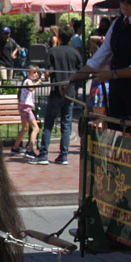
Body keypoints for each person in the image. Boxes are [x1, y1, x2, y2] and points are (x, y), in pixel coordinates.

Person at [30, 24, 82, 165]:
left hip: (55, 90)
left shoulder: (53, 52)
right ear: (71, 38)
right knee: (66, 123)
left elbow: (47, 71)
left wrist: (43, 77)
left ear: (58, 36)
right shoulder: (75, 53)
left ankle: (44, 155)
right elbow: (80, 71)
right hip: (69, 92)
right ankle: (63, 155)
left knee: (49, 123)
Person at [12, 66, 43, 157]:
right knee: (36, 128)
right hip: (26, 108)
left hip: (24, 107)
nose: (36, 74)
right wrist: (40, 81)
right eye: (34, 72)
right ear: (28, 73)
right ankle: (30, 150)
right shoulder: (28, 81)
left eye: (37, 73)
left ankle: (15, 147)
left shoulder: (28, 82)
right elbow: (31, 88)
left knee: (25, 128)